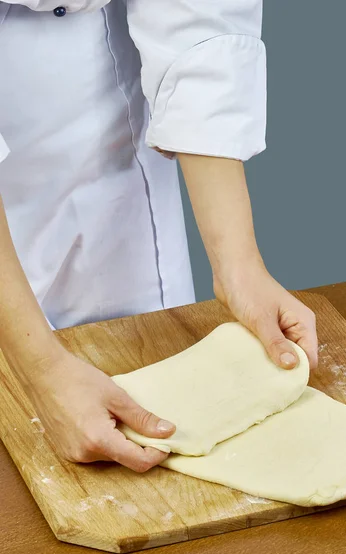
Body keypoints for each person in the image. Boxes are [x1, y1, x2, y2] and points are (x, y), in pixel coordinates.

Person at [0, 0, 318, 473]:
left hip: (109, 98)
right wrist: (41, 369)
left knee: (146, 404)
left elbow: (198, 16)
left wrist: (240, 266)